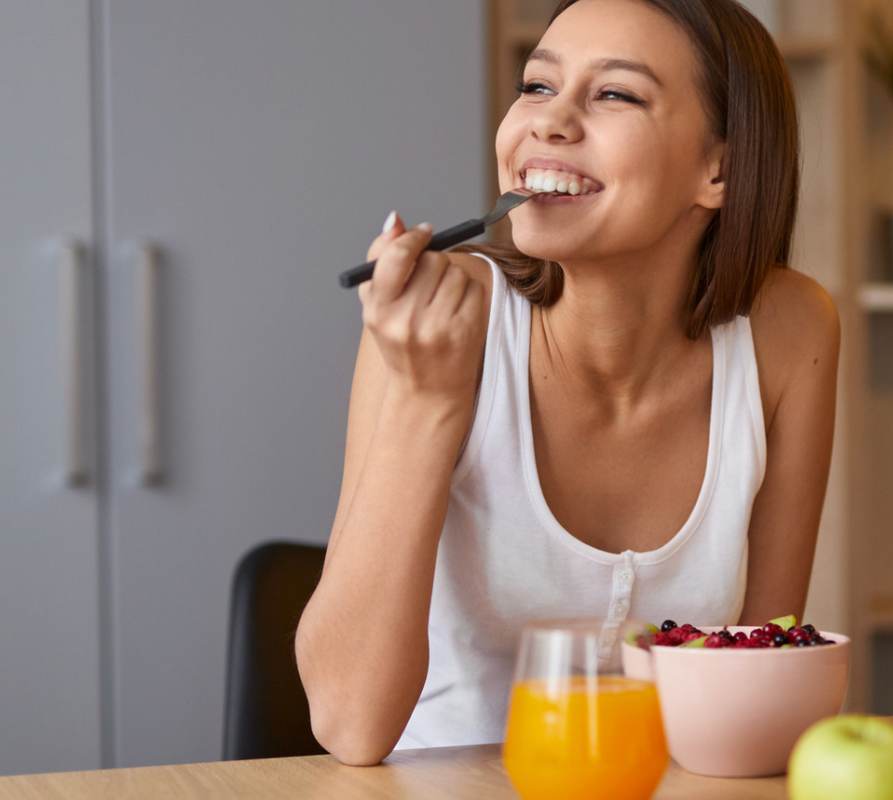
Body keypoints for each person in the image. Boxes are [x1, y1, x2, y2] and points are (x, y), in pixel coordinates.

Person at [296, 0, 840, 766]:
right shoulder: (437, 321)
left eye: (615, 94)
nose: (548, 124)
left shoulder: (791, 330)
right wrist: (429, 399)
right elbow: (349, 724)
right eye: (537, 86)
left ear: (717, 167)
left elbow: (758, 677)